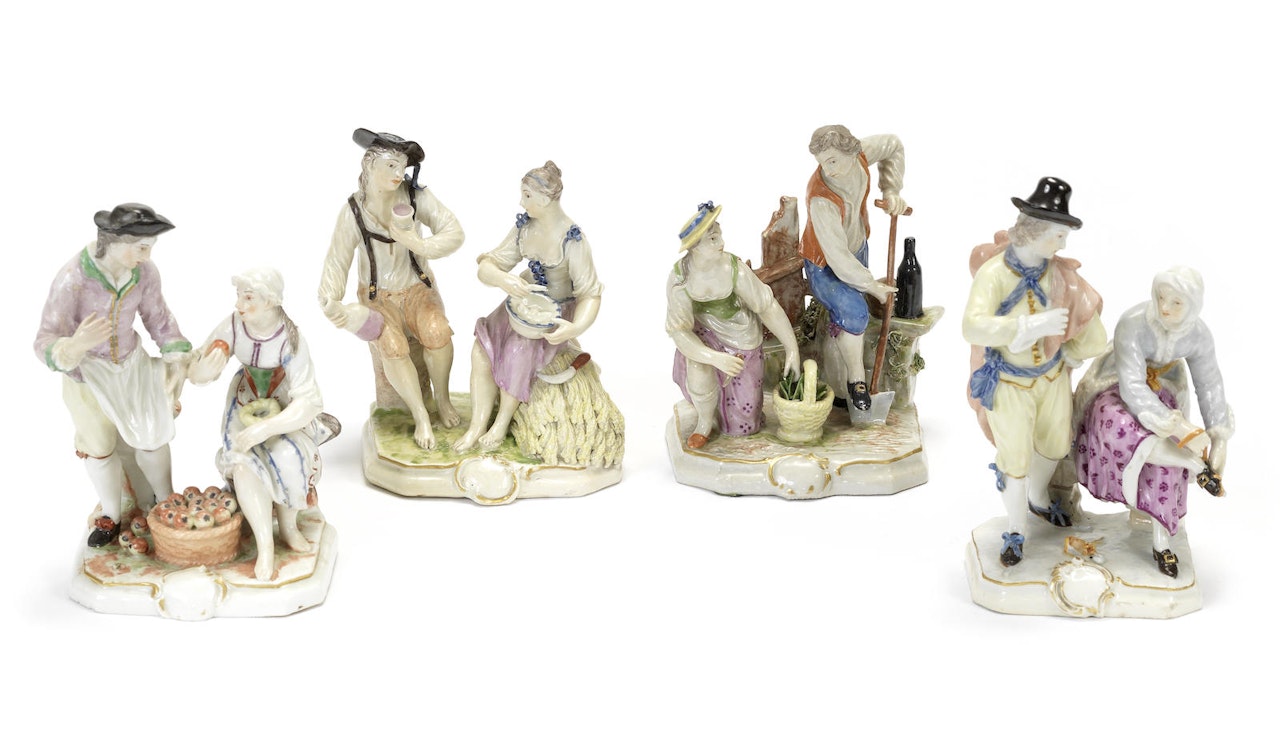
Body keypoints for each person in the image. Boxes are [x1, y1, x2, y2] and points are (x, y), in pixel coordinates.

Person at [963, 177, 1107, 567]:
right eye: (1058, 236)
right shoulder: (994, 274)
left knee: (1056, 444)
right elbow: (972, 326)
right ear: (1034, 230)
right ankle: (1016, 529)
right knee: (1014, 458)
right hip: (1009, 381)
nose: (1063, 245)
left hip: (1050, 377)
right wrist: (1025, 327)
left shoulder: (1062, 276)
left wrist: (1071, 354)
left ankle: (1037, 496)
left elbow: (1094, 333)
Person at [35, 203, 191, 547]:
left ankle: (166, 501)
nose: (147, 256)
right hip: (87, 373)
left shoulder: (144, 273)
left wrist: (176, 355)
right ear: (117, 242)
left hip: (131, 365)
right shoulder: (73, 278)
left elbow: (158, 318)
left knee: (152, 436)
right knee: (99, 445)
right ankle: (111, 514)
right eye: (142, 248)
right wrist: (74, 346)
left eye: (149, 248)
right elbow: (44, 340)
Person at [1073, 266, 1231, 577]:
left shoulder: (1198, 335)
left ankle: (1162, 543)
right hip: (1114, 386)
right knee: (1123, 429)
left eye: (1176, 302)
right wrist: (1178, 427)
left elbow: (1209, 382)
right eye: (1161, 297)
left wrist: (1219, 437)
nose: (1165, 308)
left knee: (1163, 455)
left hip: (1163, 390)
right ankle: (1196, 465)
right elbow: (1132, 386)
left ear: (1193, 305)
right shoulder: (1133, 322)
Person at [188, 267, 339, 581]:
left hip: (284, 407)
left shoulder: (290, 338)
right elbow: (197, 370)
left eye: (248, 298)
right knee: (244, 465)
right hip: (245, 401)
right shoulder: (234, 325)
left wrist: (267, 428)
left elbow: (309, 401)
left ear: (269, 301)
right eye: (239, 296)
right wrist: (205, 370)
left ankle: (289, 527)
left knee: (288, 458)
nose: (239, 304)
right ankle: (265, 545)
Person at [319, 128, 464, 450]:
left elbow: (454, 233)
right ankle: (420, 415)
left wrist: (418, 244)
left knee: (438, 332)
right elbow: (337, 260)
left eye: (402, 166)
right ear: (370, 166)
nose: (399, 173)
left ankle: (442, 400)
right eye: (390, 165)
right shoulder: (353, 211)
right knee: (394, 347)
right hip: (377, 295)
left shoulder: (416, 197)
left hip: (417, 287)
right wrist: (330, 298)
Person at [453, 161, 603, 453]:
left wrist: (575, 327)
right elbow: (487, 266)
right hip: (521, 306)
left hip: (553, 314)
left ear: (545, 199)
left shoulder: (572, 240)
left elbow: (590, 294)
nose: (521, 202)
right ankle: (477, 425)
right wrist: (504, 280)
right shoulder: (525, 227)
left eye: (527, 195)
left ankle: (502, 423)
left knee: (517, 352)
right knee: (480, 350)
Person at [667, 201, 800, 448]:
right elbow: (680, 332)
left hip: (741, 336)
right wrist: (714, 358)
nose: (721, 243)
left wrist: (791, 348)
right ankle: (704, 422)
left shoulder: (732, 268)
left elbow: (766, 306)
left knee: (743, 424)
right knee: (698, 368)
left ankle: (737, 420)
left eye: (719, 235)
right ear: (694, 247)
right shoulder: (680, 278)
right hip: (702, 338)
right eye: (712, 239)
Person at [800, 124, 905, 411]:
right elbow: (836, 257)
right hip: (824, 265)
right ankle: (856, 381)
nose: (828, 169)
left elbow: (893, 145)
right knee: (855, 311)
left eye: (833, 160)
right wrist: (871, 286)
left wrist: (892, 190)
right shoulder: (820, 197)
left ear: (851, 151)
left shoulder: (861, 155)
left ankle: (843, 359)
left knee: (853, 311)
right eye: (822, 162)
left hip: (857, 249)